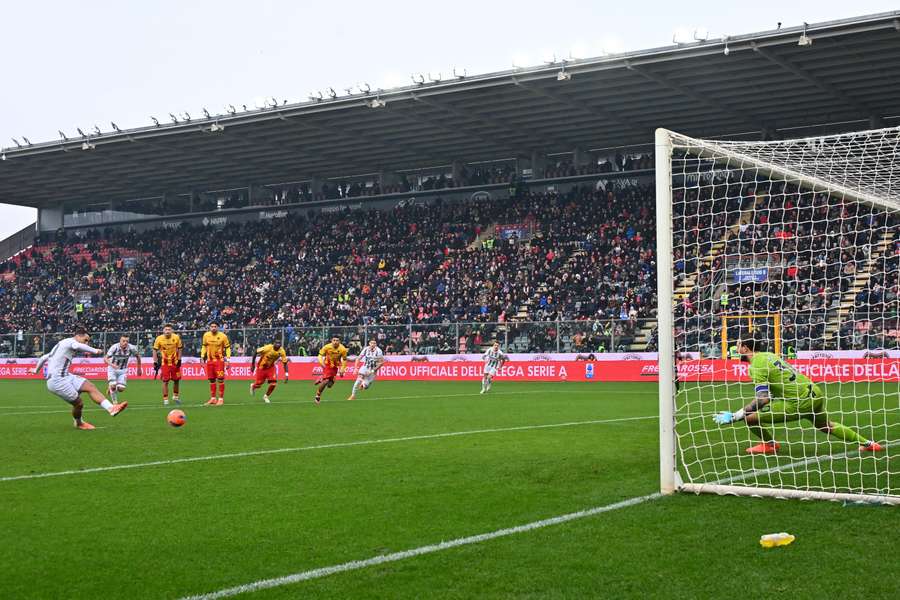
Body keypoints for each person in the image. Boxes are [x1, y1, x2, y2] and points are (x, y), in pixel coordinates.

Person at [713, 338, 884, 454]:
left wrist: (736, 415)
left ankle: (770, 445)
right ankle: (869, 444)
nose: (735, 350)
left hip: (800, 402)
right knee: (826, 426)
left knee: (749, 418)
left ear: (745, 348)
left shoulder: (756, 365)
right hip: (815, 393)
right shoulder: (769, 356)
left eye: (737, 346)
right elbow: (773, 391)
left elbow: (763, 398)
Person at [34, 327, 128, 429]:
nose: (86, 343)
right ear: (78, 336)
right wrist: (95, 350)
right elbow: (77, 345)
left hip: (65, 375)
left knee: (90, 386)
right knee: (79, 404)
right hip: (57, 381)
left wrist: (35, 370)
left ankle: (111, 408)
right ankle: (79, 423)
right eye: (85, 340)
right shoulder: (71, 342)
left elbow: (44, 357)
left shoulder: (62, 344)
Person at [200, 321, 231, 405]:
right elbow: (204, 346)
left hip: (219, 361)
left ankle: (221, 399)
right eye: (212, 326)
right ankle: (213, 398)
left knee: (220, 379)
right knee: (211, 380)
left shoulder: (223, 336)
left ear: (218, 327)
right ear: (209, 327)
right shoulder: (206, 335)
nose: (213, 328)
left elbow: (227, 348)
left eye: (215, 326)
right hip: (209, 361)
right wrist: (202, 357)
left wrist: (228, 360)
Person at [104, 335, 141, 404]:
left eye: (127, 341)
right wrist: (112, 365)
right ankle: (115, 403)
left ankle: (111, 389)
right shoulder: (114, 347)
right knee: (113, 386)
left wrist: (139, 368)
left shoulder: (132, 348)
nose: (125, 342)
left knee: (121, 389)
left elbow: (138, 356)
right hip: (112, 369)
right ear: (120, 341)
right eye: (123, 341)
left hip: (123, 370)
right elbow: (105, 358)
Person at [152, 324, 183, 406]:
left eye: (169, 329)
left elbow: (180, 348)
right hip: (165, 363)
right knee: (165, 381)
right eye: (166, 329)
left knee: (177, 380)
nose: (167, 331)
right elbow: (154, 350)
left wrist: (179, 359)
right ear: (163, 331)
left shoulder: (176, 337)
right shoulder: (159, 339)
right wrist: (155, 361)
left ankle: (175, 397)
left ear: (172, 331)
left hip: (175, 362)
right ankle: (165, 399)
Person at [315, 336, 347, 404]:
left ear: (339, 341)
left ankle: (321, 378)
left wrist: (342, 369)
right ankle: (318, 396)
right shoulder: (327, 347)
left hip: (335, 367)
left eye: (337, 340)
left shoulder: (343, 349)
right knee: (326, 381)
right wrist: (322, 363)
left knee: (329, 385)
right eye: (334, 340)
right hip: (327, 365)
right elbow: (320, 355)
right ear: (331, 341)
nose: (335, 342)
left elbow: (344, 360)